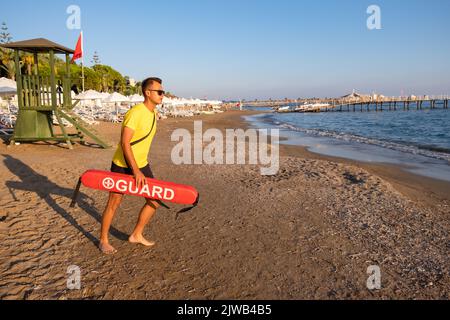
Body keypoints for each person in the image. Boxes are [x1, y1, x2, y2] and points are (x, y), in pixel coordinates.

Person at [99, 77, 165, 254]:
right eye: (159, 92)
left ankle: (136, 234)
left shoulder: (152, 114)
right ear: (147, 92)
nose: (162, 95)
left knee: (154, 200)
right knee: (114, 202)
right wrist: (135, 171)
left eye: (163, 92)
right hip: (123, 164)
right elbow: (125, 142)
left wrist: (139, 168)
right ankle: (103, 240)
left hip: (142, 163)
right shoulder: (136, 112)